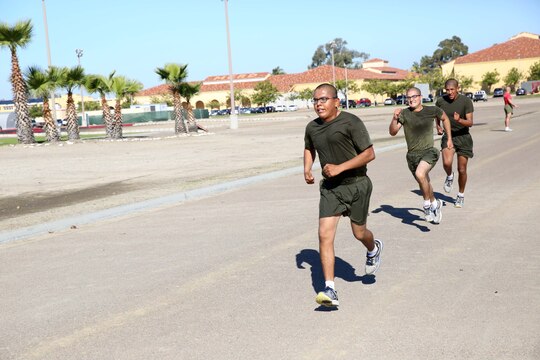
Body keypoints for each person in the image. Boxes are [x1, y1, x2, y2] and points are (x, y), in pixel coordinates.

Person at [304, 83, 382, 308]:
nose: (319, 104)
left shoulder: (351, 122)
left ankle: (373, 248)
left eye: (323, 99)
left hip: (357, 184)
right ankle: (330, 288)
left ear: (336, 101)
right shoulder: (312, 127)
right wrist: (307, 168)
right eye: (316, 100)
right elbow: (309, 148)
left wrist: (340, 167)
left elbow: (369, 154)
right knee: (324, 235)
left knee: (359, 233)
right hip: (331, 189)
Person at [389, 87, 452, 223]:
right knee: (424, 181)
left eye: (414, 96)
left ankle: (427, 206)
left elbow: (445, 118)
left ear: (420, 97)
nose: (411, 99)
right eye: (408, 97)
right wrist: (394, 119)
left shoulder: (431, 110)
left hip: (429, 151)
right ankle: (435, 203)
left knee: (420, 174)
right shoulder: (404, 114)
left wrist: (449, 138)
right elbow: (393, 132)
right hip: (412, 156)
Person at [435, 79, 474, 208]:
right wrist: (438, 126)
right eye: (447, 90)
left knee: (462, 169)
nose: (450, 92)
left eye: (452, 89)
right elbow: (437, 114)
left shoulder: (466, 101)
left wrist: (459, 120)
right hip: (449, 136)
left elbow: (470, 122)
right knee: (447, 163)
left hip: (463, 136)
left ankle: (460, 195)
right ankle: (450, 176)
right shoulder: (441, 101)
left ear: (458, 88)